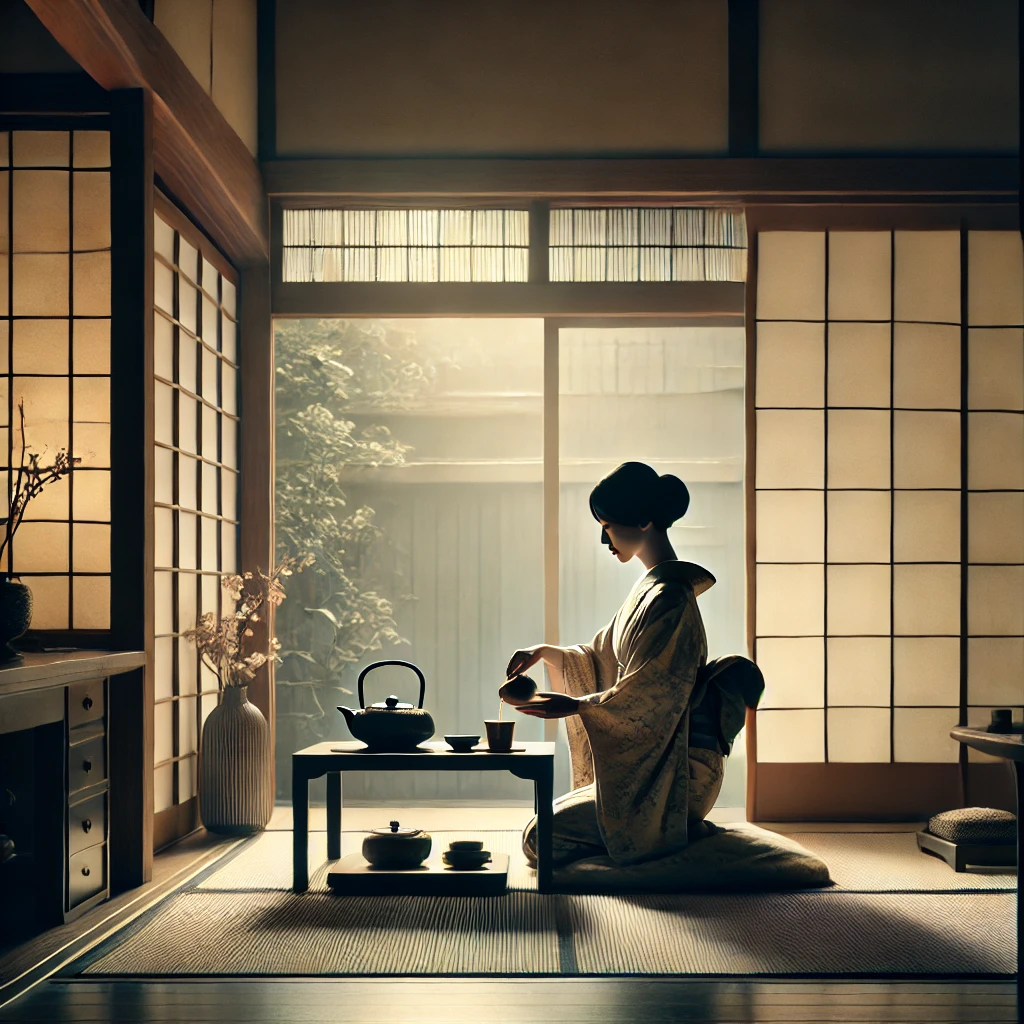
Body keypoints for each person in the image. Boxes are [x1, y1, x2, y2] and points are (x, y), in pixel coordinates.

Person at [506, 461, 763, 868]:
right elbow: (596, 659)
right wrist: (545, 652)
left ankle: (670, 830)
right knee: (538, 833)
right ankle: (655, 835)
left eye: (607, 525)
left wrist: (574, 706)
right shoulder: (652, 592)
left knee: (540, 839)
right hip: (651, 766)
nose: (604, 538)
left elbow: (649, 696)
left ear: (644, 521)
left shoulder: (670, 599)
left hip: (673, 774)